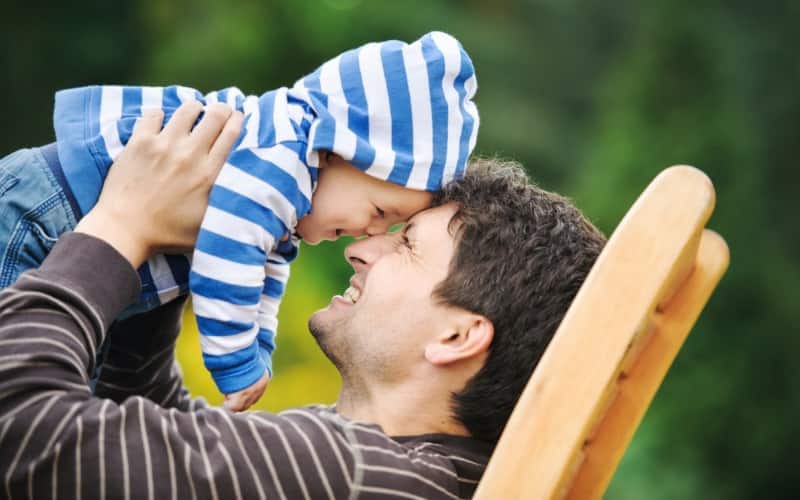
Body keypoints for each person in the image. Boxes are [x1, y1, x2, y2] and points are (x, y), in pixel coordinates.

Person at [0, 103, 605, 498]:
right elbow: (158, 440)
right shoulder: (410, 470)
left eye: (408, 245)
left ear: (458, 336)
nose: (360, 252)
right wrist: (175, 250)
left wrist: (121, 225)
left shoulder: (352, 474)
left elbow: (26, 432)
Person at [0, 31, 479, 410]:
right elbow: (226, 262)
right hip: (40, 219)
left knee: (69, 397)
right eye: (379, 212)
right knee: (25, 396)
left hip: (66, 237)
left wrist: (260, 351)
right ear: (338, 149)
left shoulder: (286, 194)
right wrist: (236, 364)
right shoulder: (279, 160)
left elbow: (264, 276)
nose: (371, 234)